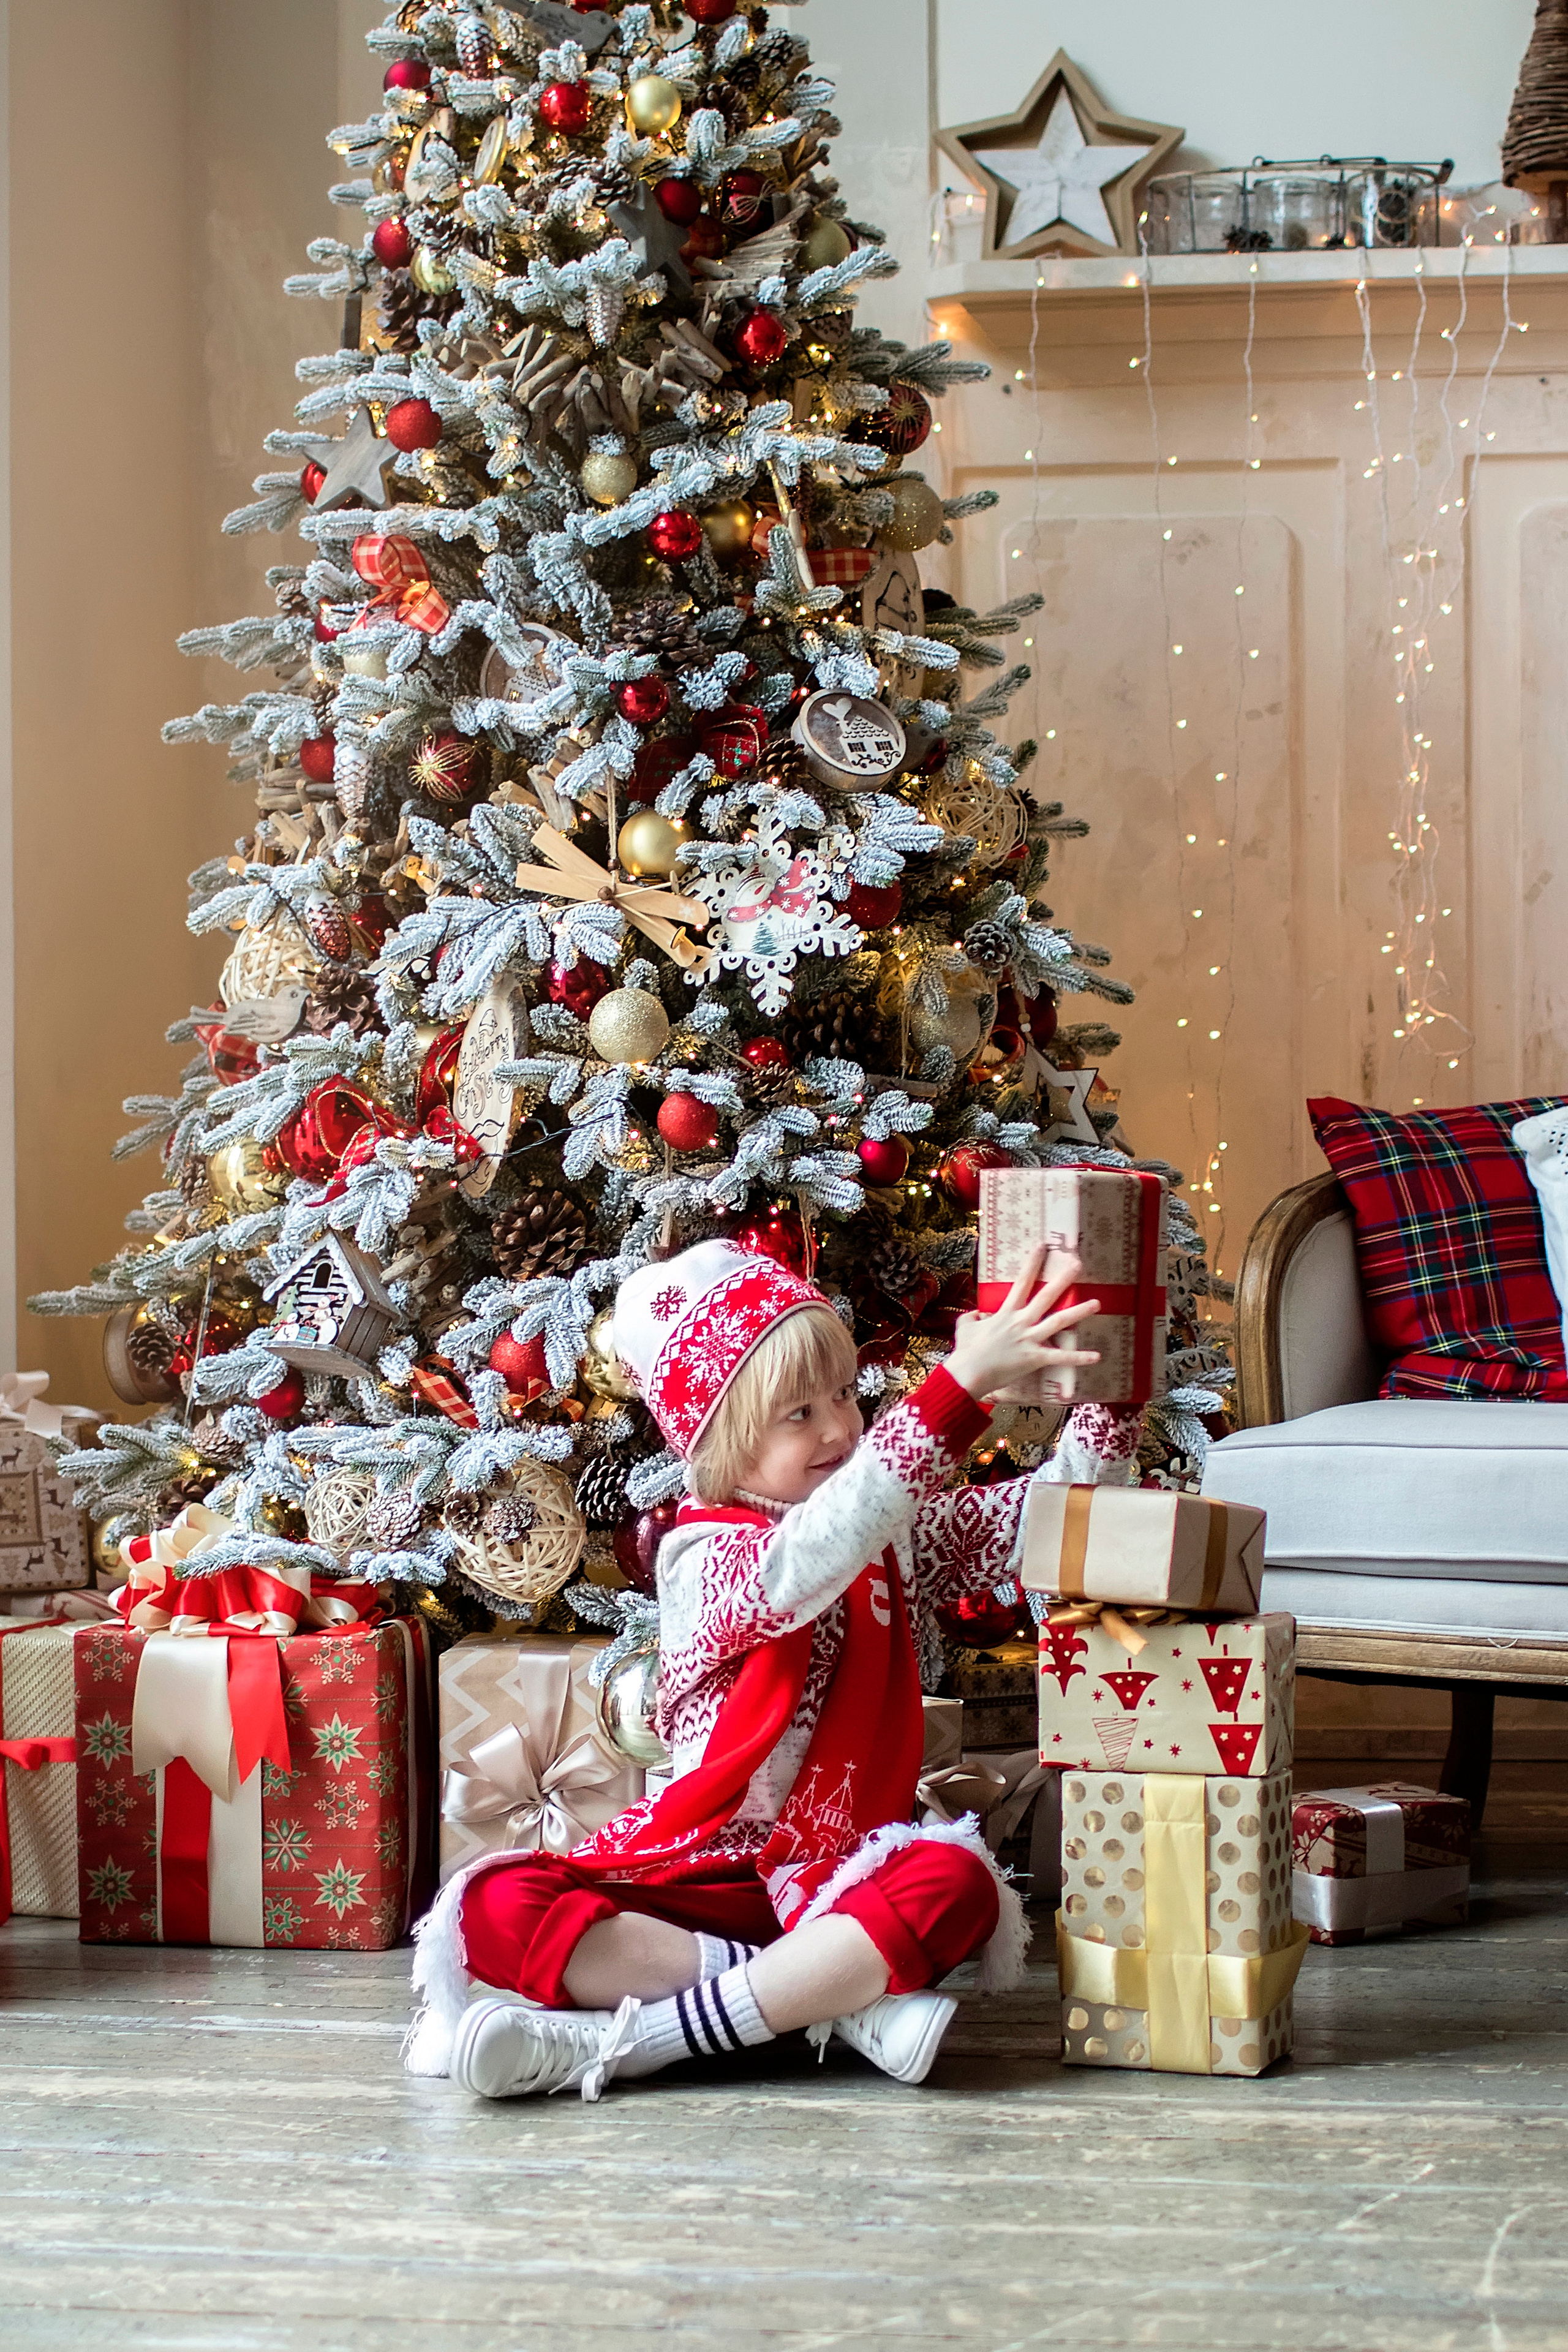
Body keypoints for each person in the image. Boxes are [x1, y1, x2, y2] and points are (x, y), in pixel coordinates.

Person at [408, 1235, 1138, 2102]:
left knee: (958, 1879)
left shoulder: (889, 1534)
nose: (839, 1427)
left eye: (841, 1395)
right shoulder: (704, 1560)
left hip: (834, 1880)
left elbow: (1056, 1520)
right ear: (719, 1438)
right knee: (492, 1906)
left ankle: (644, 2041)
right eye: (799, 1415)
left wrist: (1111, 1386)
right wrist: (956, 1391)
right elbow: (807, 1560)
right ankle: (824, 2002)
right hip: (703, 1877)